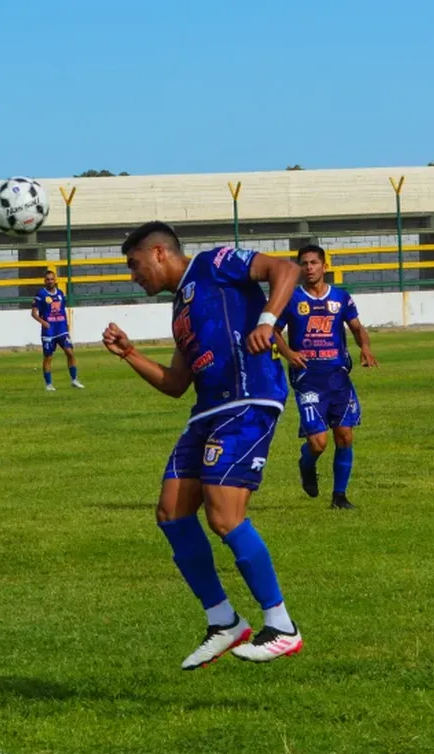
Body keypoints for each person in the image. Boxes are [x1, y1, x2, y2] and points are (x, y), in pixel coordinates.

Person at [103, 222, 303, 667]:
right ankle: (224, 620)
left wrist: (268, 321)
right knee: (171, 511)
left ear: (159, 253)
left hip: (249, 399)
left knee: (223, 513)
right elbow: (176, 384)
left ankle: (282, 625)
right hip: (208, 409)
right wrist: (130, 354)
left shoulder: (214, 263)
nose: (133, 276)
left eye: (135, 266)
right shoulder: (181, 310)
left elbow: (284, 269)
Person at [274, 245, 378, 510]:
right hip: (307, 377)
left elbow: (356, 327)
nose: (309, 268)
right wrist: (287, 352)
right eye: (304, 263)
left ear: (324, 266)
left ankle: (339, 497)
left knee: (345, 436)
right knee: (318, 443)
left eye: (313, 263)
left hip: (337, 375)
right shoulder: (291, 298)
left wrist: (364, 347)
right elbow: (272, 331)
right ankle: (306, 464)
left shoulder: (341, 298)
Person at [31, 270, 83, 391]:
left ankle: (74, 380)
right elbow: (33, 313)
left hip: (61, 328)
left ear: (55, 280)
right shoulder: (41, 294)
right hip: (49, 330)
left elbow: (62, 309)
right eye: (47, 279)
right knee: (48, 356)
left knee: (70, 352)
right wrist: (43, 322)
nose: (50, 281)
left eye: (52, 279)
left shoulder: (60, 293)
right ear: (45, 281)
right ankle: (49, 384)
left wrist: (67, 323)